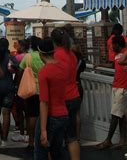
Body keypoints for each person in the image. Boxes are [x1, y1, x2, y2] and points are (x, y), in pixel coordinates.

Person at [34, 37, 69, 160]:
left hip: (50, 117)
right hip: (63, 114)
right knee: (57, 152)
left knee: (40, 152)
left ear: (40, 53)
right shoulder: (64, 67)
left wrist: (43, 130)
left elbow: (44, 102)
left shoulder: (44, 72)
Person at [95, 35, 127, 150]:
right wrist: (100, 65)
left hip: (123, 87)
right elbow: (113, 65)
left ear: (117, 44)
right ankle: (122, 140)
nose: (111, 47)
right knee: (120, 115)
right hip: (117, 86)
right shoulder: (118, 55)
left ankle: (108, 140)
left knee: (115, 114)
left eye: (113, 45)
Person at [52, 28, 81, 160]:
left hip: (61, 98)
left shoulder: (56, 55)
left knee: (55, 137)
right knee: (71, 136)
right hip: (74, 95)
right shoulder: (72, 55)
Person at [18, 35, 44, 153]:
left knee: (31, 116)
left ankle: (31, 141)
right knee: (44, 114)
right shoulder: (43, 56)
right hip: (43, 89)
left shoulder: (27, 57)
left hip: (30, 90)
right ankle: (43, 138)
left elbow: (20, 70)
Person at [0, 37, 18, 146]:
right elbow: (18, 69)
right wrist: (15, 82)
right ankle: (4, 139)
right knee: (6, 113)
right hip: (8, 87)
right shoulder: (11, 58)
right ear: (7, 46)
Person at [11, 39, 28, 143]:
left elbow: (16, 71)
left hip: (20, 86)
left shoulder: (17, 58)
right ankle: (29, 133)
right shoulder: (30, 56)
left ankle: (21, 131)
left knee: (20, 110)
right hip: (31, 86)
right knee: (28, 112)